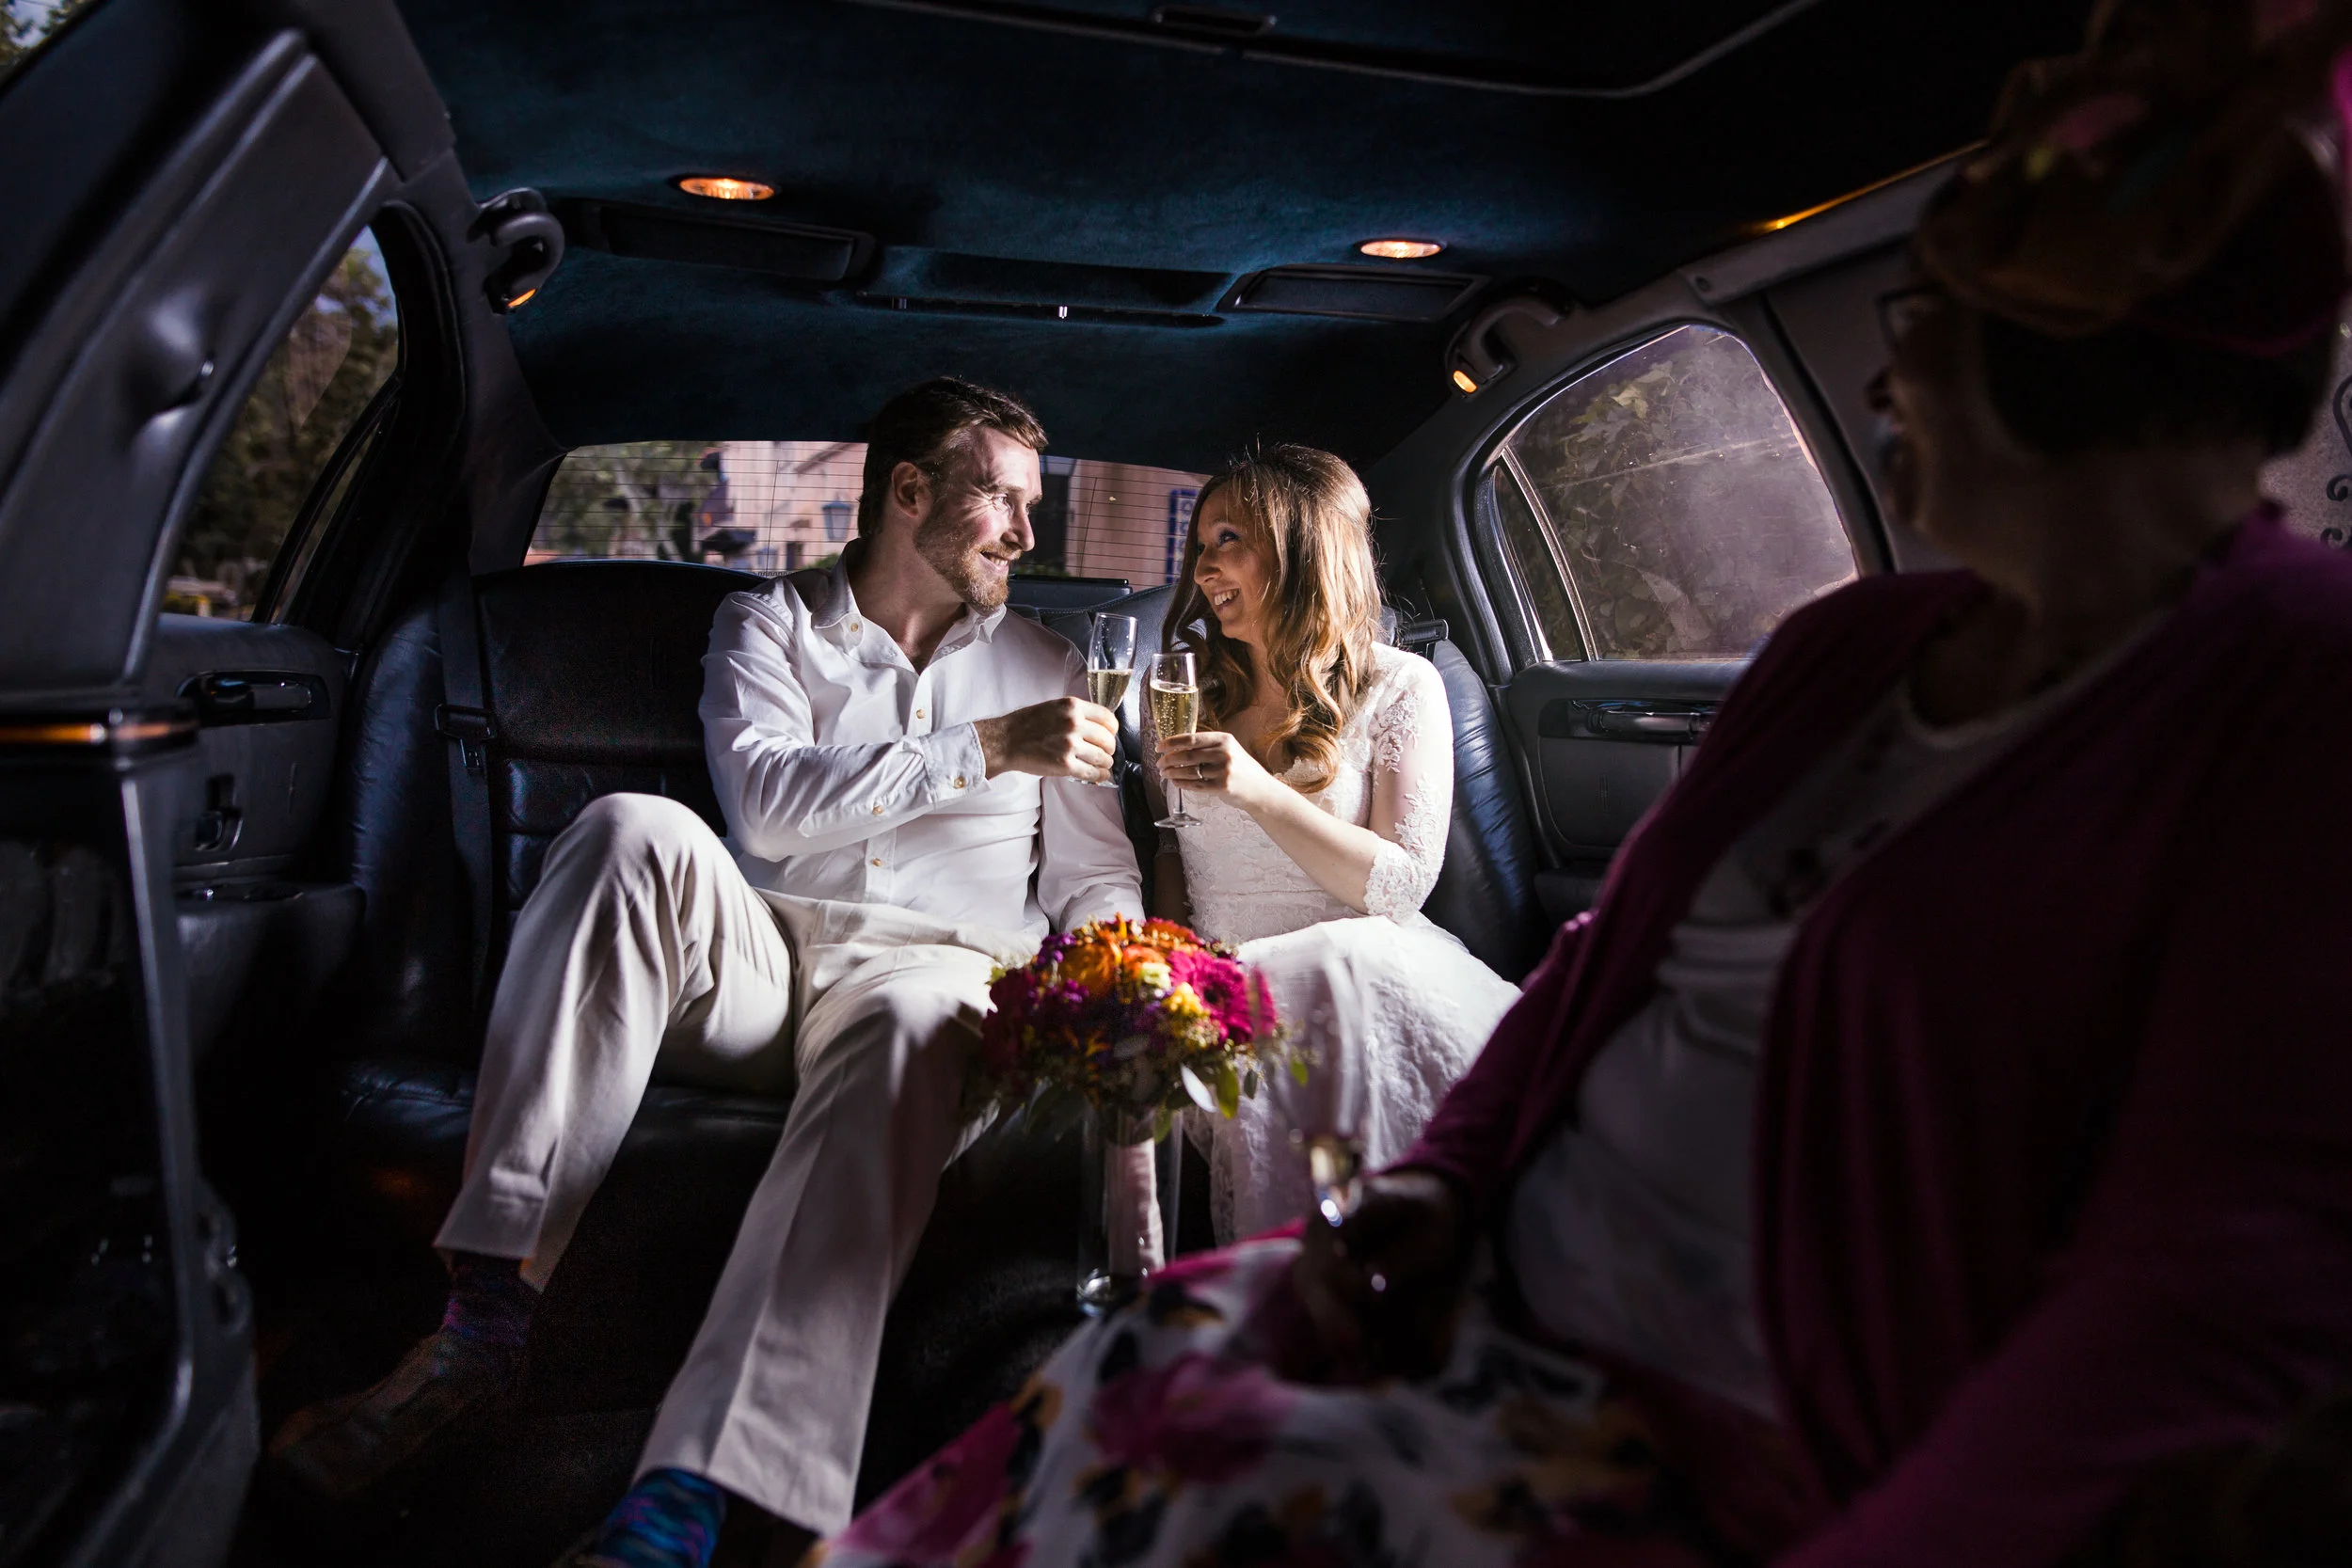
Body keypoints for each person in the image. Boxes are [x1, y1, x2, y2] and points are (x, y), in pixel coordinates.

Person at [818, 5, 2352, 1564]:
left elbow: (2210, 1287)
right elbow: (1603, 959)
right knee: (1106, 1396)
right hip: (1501, 1276)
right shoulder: (1848, 653)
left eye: (1933, 325)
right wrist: (1446, 1186)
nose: (1890, 383)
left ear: (2090, 365)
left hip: (1735, 1415)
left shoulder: (2291, 697)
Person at [266, 378, 1143, 1565]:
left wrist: (1124, 971)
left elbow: (1095, 874)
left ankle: (691, 1497)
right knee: (629, 829)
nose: (1028, 534)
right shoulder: (768, 624)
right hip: (761, 959)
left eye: (1032, 506)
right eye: (1004, 500)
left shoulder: (1053, 665)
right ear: (910, 490)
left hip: (931, 973)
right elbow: (768, 807)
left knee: (908, 1027)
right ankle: (482, 1330)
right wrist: (983, 747)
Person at [1144, 446, 1518, 1243]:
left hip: (1362, 970)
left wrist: (1256, 789)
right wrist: (1169, 967)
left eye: (1228, 540)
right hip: (1227, 980)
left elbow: (1400, 885)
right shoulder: (1178, 688)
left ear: (1302, 550)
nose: (1203, 569)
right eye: (1200, 545)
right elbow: (1170, 847)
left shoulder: (1402, 685)